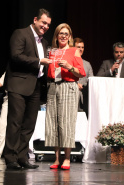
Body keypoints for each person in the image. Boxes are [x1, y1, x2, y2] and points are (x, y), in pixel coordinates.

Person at [3, 9, 52, 170]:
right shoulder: (21, 33)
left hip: (35, 86)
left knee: (29, 124)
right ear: (35, 19)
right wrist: (39, 61)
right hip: (18, 84)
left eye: (48, 25)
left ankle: (22, 156)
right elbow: (16, 56)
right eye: (43, 22)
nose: (45, 26)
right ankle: (10, 157)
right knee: (15, 122)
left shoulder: (44, 43)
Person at [45, 23, 86, 170]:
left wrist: (69, 67)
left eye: (66, 34)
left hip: (68, 87)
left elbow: (81, 73)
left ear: (69, 37)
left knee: (67, 123)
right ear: (56, 36)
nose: (63, 36)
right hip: (52, 87)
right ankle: (57, 159)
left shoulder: (74, 51)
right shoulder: (52, 51)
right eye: (60, 33)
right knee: (53, 122)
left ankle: (67, 158)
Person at [73, 38, 93, 116]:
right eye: (78, 47)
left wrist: (85, 86)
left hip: (85, 98)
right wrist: (75, 84)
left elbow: (91, 80)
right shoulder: (69, 62)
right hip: (72, 96)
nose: (81, 49)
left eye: (82, 47)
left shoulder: (87, 64)